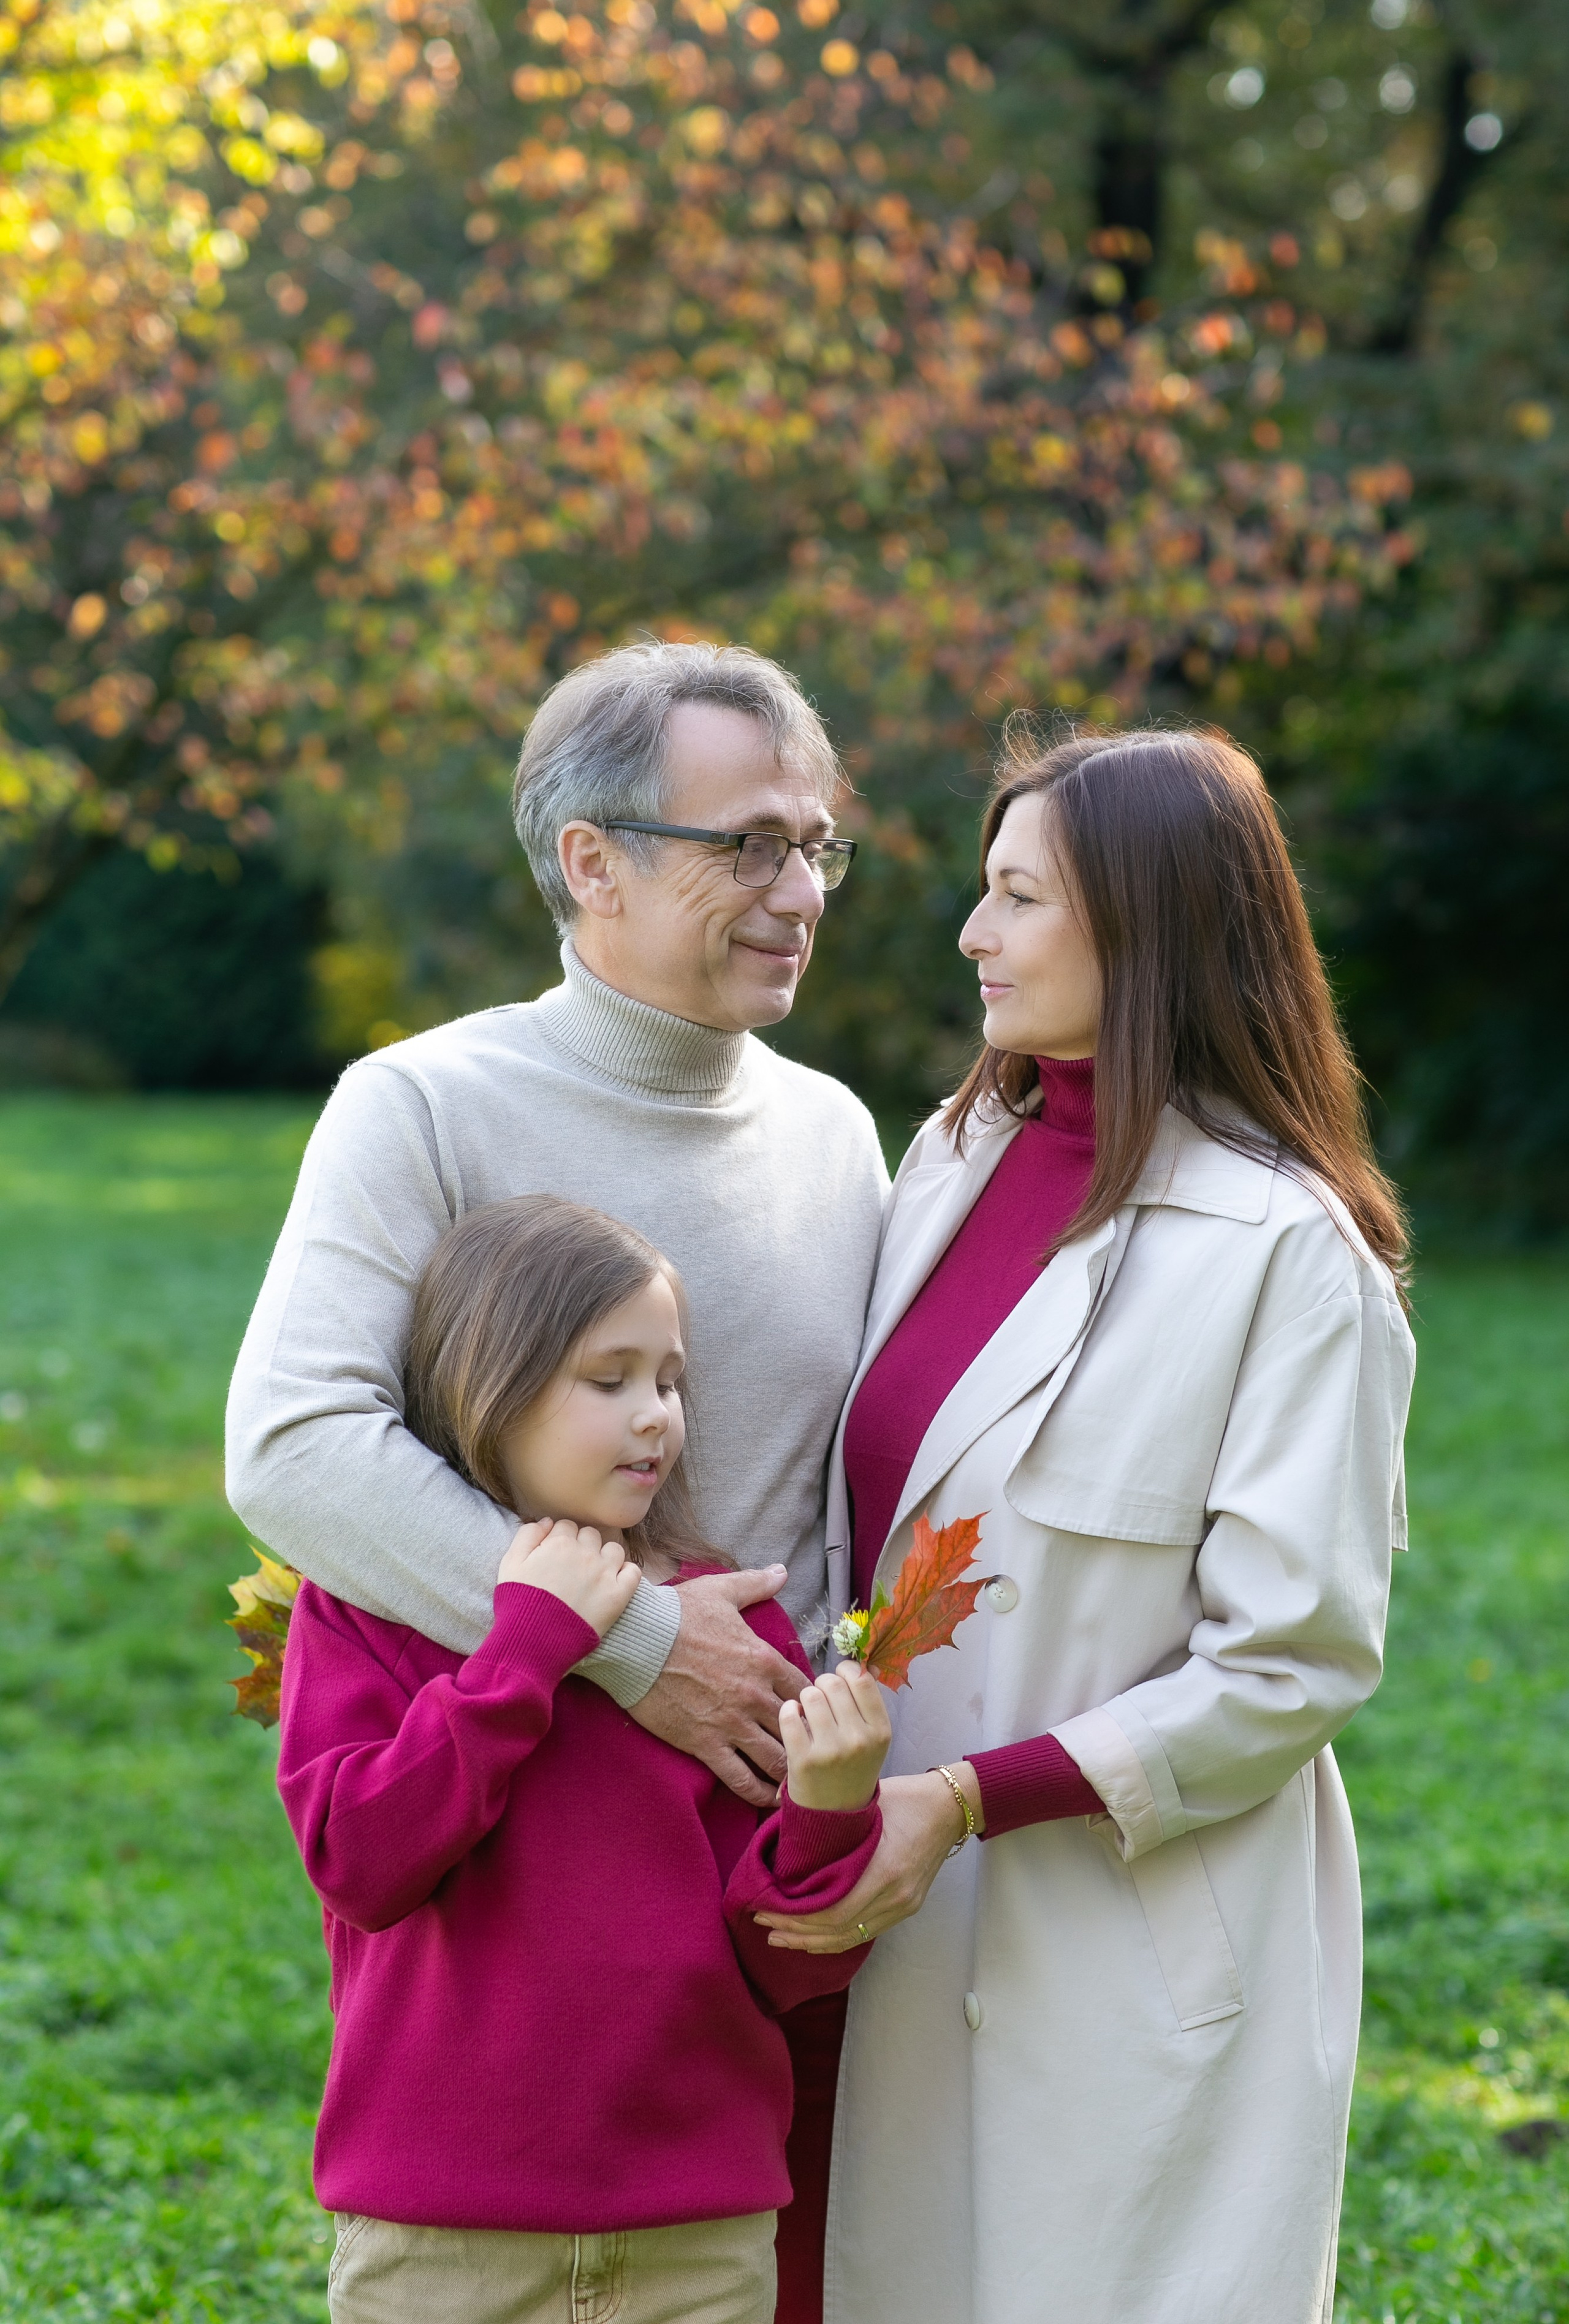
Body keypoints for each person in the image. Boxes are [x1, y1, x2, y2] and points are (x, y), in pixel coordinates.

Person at [226, 638, 889, 2321]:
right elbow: (296, 1449)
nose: (794, 886)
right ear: (590, 860)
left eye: (814, 845)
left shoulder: (835, 1138)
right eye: (743, 842)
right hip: (502, 1895)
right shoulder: (425, 1105)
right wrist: (640, 1652)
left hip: (750, 1916)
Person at [756, 721, 1416, 2324]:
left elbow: (1294, 1662)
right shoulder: (956, 1153)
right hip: (881, 1909)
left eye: (1017, 898)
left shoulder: (1290, 1256)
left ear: (1152, 923)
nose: (973, 935)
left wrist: (971, 1801)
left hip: (1123, 1947)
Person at [279, 1194, 891, 2324]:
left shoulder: (723, 1634)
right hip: (441, 2229)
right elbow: (362, 1862)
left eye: (670, 1381)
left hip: (696, 2229)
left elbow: (781, 1972)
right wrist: (529, 1654)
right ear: (488, 1386)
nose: (655, 1416)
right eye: (608, 1380)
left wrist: (829, 1811)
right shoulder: (364, 1609)